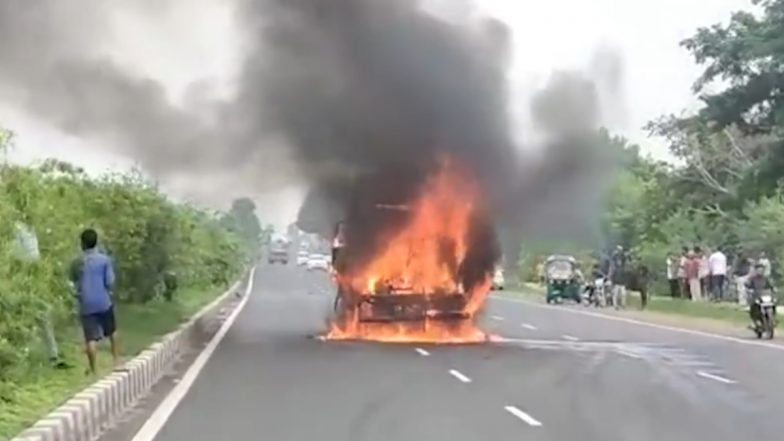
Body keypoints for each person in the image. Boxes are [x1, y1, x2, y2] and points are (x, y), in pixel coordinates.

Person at [70, 229, 119, 375]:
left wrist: (77, 293)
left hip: (86, 303)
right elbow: (110, 282)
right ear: (96, 242)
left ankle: (94, 370)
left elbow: (72, 282)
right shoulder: (104, 260)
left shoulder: (77, 262)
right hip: (103, 301)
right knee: (112, 331)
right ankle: (116, 361)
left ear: (82, 244)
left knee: (90, 338)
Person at [745, 263, 776, 328]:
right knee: (754, 306)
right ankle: (755, 321)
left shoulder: (766, 278)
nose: (760, 271)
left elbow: (771, 285)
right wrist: (749, 288)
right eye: (759, 270)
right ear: (756, 270)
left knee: (773, 304)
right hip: (756, 296)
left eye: (761, 270)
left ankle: (772, 319)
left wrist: (773, 289)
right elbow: (748, 284)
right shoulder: (752, 278)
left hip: (765, 296)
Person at [608, 246, 627, 310]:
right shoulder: (615, 269)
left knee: (623, 294)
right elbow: (612, 275)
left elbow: (624, 258)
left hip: (622, 283)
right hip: (616, 283)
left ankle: (623, 305)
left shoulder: (623, 269)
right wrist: (612, 282)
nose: (619, 263)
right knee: (615, 295)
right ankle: (615, 305)